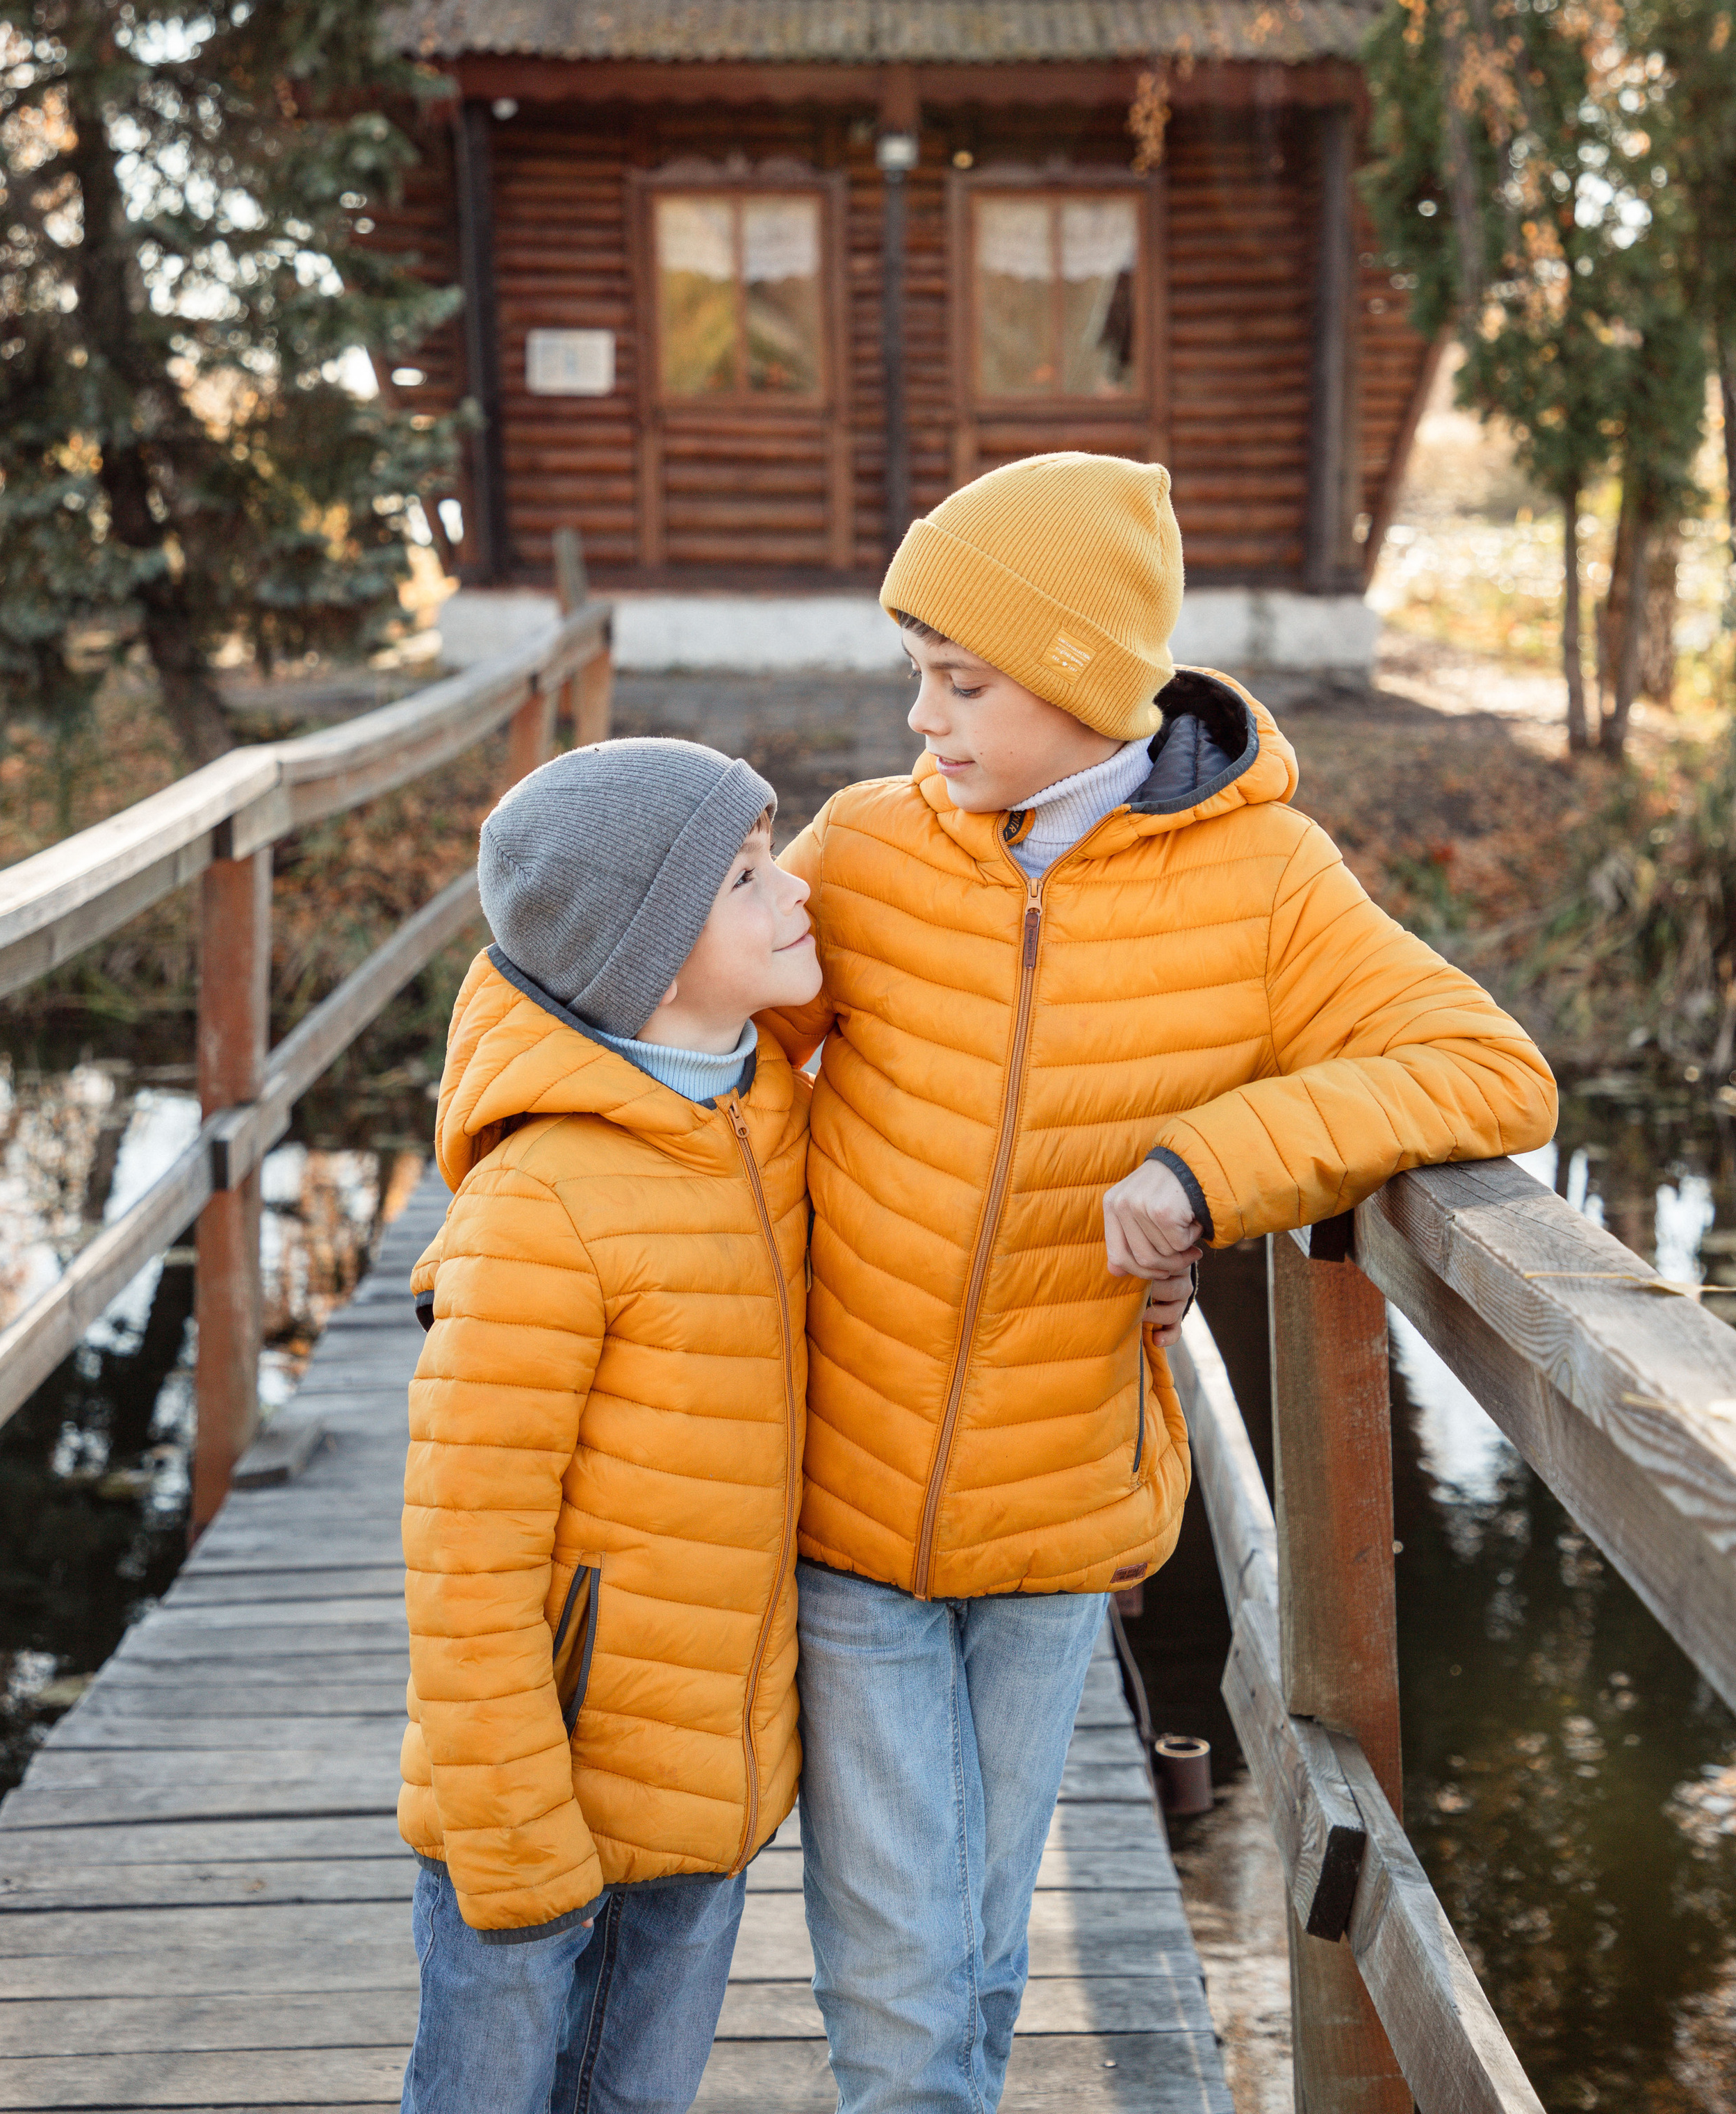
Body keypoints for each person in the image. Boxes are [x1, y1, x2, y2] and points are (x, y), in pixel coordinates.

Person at [759, 451, 1558, 2114]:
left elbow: (1485, 1070)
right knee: (903, 1998)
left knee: (974, 1957)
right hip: (843, 1510)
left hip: (1057, 1520)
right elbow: (683, 1059)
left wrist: (1202, 1167)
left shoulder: (1266, 888)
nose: (922, 719)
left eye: (958, 681)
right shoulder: (861, 856)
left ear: (1071, 678)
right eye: (918, 677)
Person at [395, 737, 822, 2114]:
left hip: (707, 1782)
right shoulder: (541, 1205)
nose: (795, 892)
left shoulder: (773, 1121)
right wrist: (515, 1838)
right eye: (749, 877)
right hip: (539, 1799)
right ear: (647, 949)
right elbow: (463, 1561)